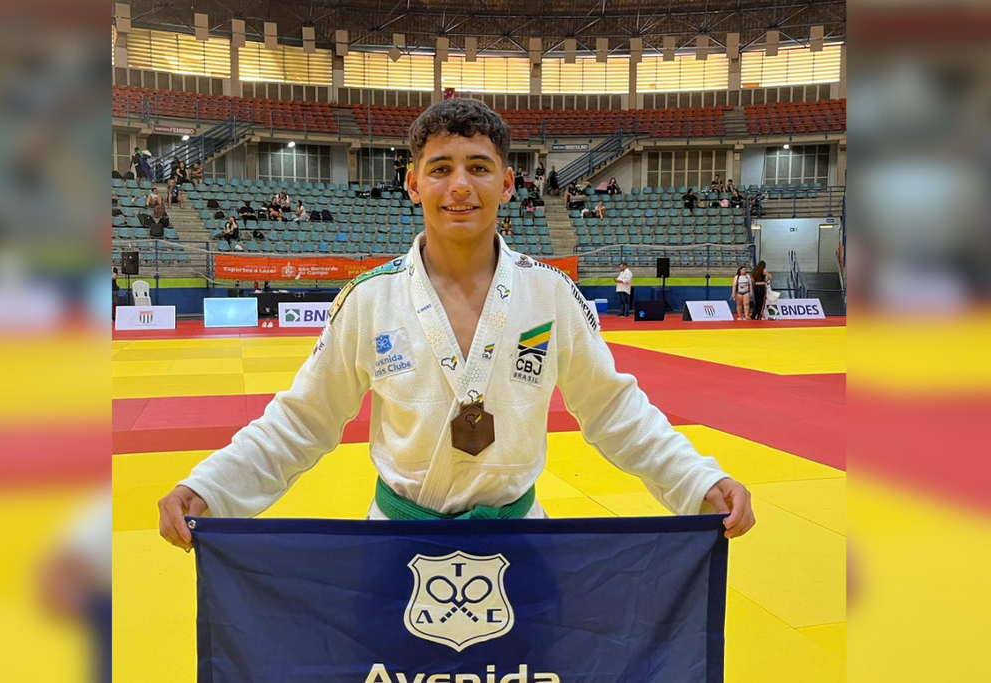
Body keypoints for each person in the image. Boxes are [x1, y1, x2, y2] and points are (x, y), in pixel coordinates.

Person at [158, 98, 754, 550]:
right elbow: (304, 419)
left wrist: (696, 481)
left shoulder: (550, 294)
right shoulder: (369, 299)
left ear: (507, 182)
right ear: (413, 182)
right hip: (397, 544)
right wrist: (214, 487)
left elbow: (613, 410)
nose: (460, 186)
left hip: (518, 544)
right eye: (440, 168)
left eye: (478, 167)